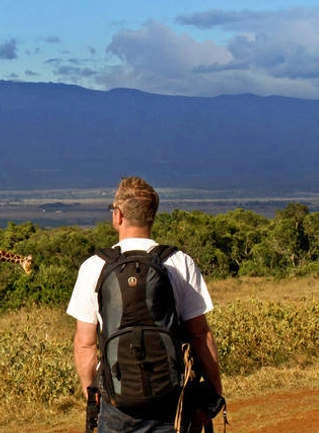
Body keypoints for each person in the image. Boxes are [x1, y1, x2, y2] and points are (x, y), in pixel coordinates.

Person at [67, 176, 222, 432]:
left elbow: (85, 344)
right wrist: (214, 393)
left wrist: (94, 399)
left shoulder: (94, 267)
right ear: (152, 216)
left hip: (117, 403)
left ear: (117, 216)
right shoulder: (179, 263)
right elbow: (200, 335)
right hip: (172, 401)